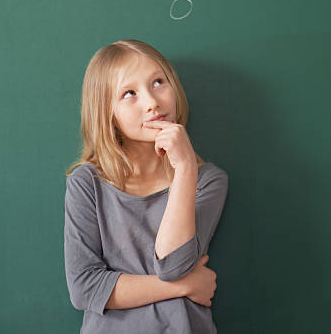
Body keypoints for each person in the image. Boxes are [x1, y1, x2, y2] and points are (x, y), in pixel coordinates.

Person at [64, 39, 229, 333]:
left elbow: (173, 264)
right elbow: (85, 289)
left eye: (158, 82)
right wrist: (185, 286)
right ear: (107, 113)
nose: (152, 102)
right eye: (130, 93)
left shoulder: (208, 180)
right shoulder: (87, 184)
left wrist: (185, 168)